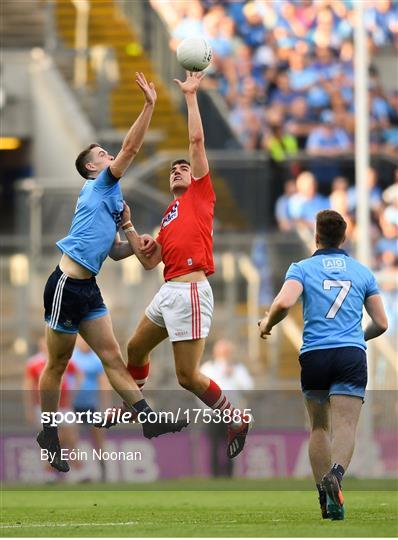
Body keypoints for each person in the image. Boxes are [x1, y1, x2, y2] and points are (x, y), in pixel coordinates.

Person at [38, 72, 188, 473]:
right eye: (103, 154)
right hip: (67, 284)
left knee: (114, 359)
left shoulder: (112, 198)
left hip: (89, 288)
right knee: (57, 365)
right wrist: (149, 105)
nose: (110, 156)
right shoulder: (99, 186)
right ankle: (49, 432)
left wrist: (134, 233)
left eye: (107, 153)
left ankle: (149, 420)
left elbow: (126, 255)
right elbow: (132, 146)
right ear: (92, 168)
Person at [116, 72, 251, 459]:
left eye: (183, 167)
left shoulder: (200, 195)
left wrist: (191, 97)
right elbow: (147, 261)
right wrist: (128, 225)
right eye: (173, 169)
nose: (178, 169)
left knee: (187, 376)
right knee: (135, 348)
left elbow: (195, 140)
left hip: (191, 289)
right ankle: (138, 409)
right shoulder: (170, 213)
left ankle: (235, 417)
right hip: (169, 288)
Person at [258, 210, 388, 520]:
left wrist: (267, 324)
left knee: (319, 427)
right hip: (349, 354)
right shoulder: (361, 272)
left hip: (315, 354)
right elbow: (382, 323)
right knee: (345, 425)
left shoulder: (301, 268)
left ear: (316, 236)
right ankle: (337, 475)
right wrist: (357, 336)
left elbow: (285, 303)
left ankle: (325, 499)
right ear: (344, 237)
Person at [24, 337, 82, 473]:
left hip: (64, 405)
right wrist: (30, 409)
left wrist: (73, 392)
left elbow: (79, 374)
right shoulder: (34, 363)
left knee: (71, 437)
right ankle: (48, 472)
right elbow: (28, 387)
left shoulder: (63, 359)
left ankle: (77, 471)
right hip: (43, 407)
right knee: (48, 439)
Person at [201, 339, 254, 476]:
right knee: (214, 445)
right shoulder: (208, 368)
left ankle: (230, 475)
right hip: (213, 414)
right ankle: (215, 475)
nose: (225, 354)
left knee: (231, 445)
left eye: (227, 351)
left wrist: (234, 375)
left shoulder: (238, 369)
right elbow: (199, 391)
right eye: (222, 351)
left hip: (232, 415)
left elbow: (249, 388)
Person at [72, 335, 110, 481]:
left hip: (90, 405)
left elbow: (103, 383)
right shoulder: (72, 356)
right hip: (72, 405)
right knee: (71, 438)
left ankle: (103, 470)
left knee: (98, 438)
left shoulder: (96, 359)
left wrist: (105, 407)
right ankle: (77, 471)